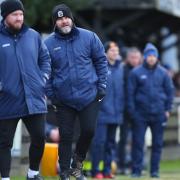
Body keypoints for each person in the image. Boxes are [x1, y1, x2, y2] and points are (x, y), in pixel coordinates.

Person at [44, 4, 108, 180]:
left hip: (89, 95)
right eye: (59, 19)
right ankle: (64, 172)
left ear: (71, 19)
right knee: (66, 136)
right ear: (55, 22)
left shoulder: (89, 37)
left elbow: (101, 61)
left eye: (66, 17)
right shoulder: (48, 44)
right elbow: (45, 71)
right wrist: (51, 94)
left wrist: (101, 86)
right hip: (63, 99)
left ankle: (77, 166)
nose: (64, 21)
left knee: (89, 131)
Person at [0, 0, 51, 180]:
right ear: (5, 16)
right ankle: (5, 178)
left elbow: (45, 59)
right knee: (4, 143)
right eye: (15, 15)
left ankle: (33, 174)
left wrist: (42, 79)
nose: (19, 18)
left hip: (34, 97)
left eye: (21, 14)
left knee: (39, 138)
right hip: (6, 99)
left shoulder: (33, 35)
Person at [128, 43, 174, 178]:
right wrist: (132, 112)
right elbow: (130, 93)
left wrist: (167, 109)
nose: (151, 58)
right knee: (138, 143)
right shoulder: (135, 72)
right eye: (149, 56)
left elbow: (169, 92)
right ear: (145, 57)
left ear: (157, 57)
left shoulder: (164, 73)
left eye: (154, 56)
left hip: (159, 114)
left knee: (157, 144)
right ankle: (136, 171)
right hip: (140, 115)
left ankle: (155, 171)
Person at [91, 41, 124, 179]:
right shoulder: (99, 67)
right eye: (112, 50)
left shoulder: (121, 69)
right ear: (105, 53)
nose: (115, 53)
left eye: (117, 50)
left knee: (111, 144)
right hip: (102, 113)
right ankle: (95, 171)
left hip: (116, 114)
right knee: (99, 143)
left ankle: (107, 170)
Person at [118, 47, 142, 174]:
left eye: (137, 57)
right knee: (123, 139)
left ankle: (137, 165)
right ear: (127, 58)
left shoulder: (142, 71)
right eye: (132, 57)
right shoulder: (122, 70)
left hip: (139, 111)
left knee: (138, 140)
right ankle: (121, 164)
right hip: (125, 110)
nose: (134, 60)